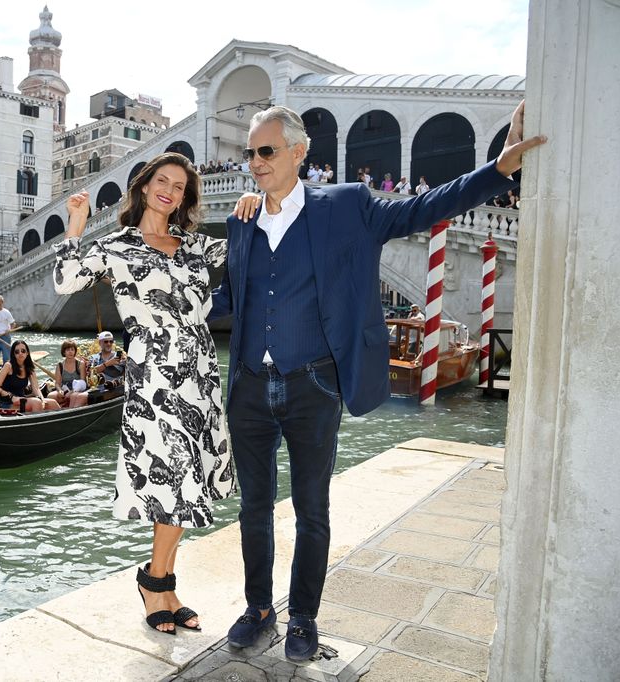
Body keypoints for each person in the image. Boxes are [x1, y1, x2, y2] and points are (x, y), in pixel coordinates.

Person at [209, 101, 545, 659]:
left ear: (298, 152)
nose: (254, 162)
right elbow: (231, 298)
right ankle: (259, 608)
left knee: (312, 509)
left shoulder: (348, 206)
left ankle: (303, 620)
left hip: (314, 385)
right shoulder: (243, 220)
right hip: (247, 384)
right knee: (253, 509)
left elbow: (422, 208)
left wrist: (498, 169)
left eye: (265, 151)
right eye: (250, 152)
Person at [54, 152, 235, 635]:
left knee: (187, 481)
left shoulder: (196, 246)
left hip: (200, 370)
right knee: (171, 479)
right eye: (163, 180)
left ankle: (161, 585)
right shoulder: (118, 246)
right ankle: (157, 584)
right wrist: (76, 221)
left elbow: (254, 251)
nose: (170, 191)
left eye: (179, 186)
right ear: (143, 186)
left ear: (184, 198)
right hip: (155, 374)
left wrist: (255, 203)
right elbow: (67, 279)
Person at [0, 340, 59, 413]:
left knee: (53, 403)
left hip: (22, 400)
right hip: (8, 402)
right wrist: (11, 396)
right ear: (14, 354)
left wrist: (42, 399)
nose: (20, 353)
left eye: (23, 351)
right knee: (36, 402)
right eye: (17, 352)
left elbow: (36, 388)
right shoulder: (8, 366)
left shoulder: (29, 368)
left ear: (27, 353)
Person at [47, 339, 89, 409]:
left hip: (77, 390)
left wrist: (72, 391)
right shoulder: (60, 365)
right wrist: (60, 390)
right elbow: (57, 383)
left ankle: (70, 411)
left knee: (73, 396)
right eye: (68, 350)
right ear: (64, 352)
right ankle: (57, 412)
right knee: (50, 396)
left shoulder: (80, 364)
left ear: (75, 351)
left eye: (72, 350)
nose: (70, 352)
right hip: (65, 390)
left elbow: (83, 382)